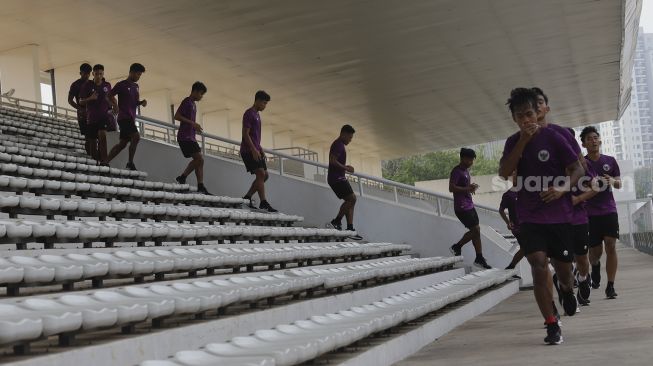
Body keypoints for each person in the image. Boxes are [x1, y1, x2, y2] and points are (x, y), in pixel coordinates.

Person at [500, 88, 584, 345]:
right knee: (537, 266)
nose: (526, 120)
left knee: (563, 270)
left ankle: (567, 289)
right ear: (514, 119)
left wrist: (561, 189)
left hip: (559, 215)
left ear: (537, 113)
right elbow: (505, 172)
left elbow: (577, 169)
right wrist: (524, 142)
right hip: (530, 216)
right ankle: (551, 323)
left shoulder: (555, 137)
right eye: (520, 116)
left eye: (529, 114)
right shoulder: (514, 142)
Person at [580, 126, 621, 299]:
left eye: (595, 137)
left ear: (600, 140)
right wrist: (592, 184)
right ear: (584, 144)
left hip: (609, 210)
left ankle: (610, 286)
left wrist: (611, 180)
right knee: (595, 253)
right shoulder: (582, 163)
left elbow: (619, 184)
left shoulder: (610, 161)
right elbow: (578, 186)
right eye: (589, 138)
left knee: (611, 245)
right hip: (590, 213)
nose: (593, 140)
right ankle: (595, 266)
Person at [448, 148, 491, 269]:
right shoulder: (456, 171)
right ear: (463, 158)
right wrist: (467, 189)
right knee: (476, 231)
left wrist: (471, 188)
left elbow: (464, 187)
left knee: (477, 231)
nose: (472, 162)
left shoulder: (466, 171)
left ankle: (479, 258)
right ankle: (457, 246)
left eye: (472, 160)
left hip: (469, 204)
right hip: (461, 207)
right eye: (470, 159)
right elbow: (451, 188)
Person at [240, 90, 277, 213]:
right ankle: (263, 202)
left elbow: (254, 135)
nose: (265, 106)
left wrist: (260, 149)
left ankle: (247, 197)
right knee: (260, 174)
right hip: (248, 150)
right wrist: (253, 149)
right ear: (258, 101)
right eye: (264, 103)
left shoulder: (257, 114)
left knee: (265, 175)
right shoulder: (249, 113)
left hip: (256, 149)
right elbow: (245, 134)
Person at [106, 63, 147, 170]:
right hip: (124, 117)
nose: (138, 77)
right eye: (138, 74)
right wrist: (114, 105)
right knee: (136, 137)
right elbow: (109, 95)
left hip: (131, 118)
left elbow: (134, 102)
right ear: (131, 72)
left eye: (140, 75)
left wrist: (141, 102)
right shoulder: (122, 84)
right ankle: (130, 162)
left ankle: (105, 162)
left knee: (122, 144)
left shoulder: (136, 86)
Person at [326, 124, 363, 241]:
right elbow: (332, 161)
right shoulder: (338, 144)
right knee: (352, 199)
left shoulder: (340, 145)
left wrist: (344, 169)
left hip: (340, 177)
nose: (350, 140)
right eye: (350, 138)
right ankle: (336, 221)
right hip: (335, 178)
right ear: (344, 134)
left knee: (351, 200)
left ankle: (350, 228)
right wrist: (346, 168)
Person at [174, 81, 211, 195]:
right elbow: (177, 116)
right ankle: (182, 177)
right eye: (201, 94)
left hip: (191, 137)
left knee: (200, 161)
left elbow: (190, 122)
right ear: (195, 91)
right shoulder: (187, 101)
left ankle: (200, 185)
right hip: (185, 137)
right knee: (199, 159)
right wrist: (192, 123)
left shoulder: (193, 104)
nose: (201, 97)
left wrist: (195, 127)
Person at [79, 64, 117, 165]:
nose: (98, 76)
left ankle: (104, 161)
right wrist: (90, 98)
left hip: (104, 117)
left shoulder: (107, 85)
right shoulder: (87, 86)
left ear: (103, 74)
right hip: (91, 118)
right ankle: (94, 162)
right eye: (96, 74)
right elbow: (81, 101)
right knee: (92, 142)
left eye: (100, 74)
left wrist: (115, 105)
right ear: (93, 74)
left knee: (102, 135)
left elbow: (112, 98)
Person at [68, 63, 93, 156]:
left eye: (88, 73)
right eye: (85, 73)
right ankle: (91, 156)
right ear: (80, 73)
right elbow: (70, 100)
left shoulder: (92, 84)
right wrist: (80, 109)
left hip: (93, 113)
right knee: (88, 137)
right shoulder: (75, 85)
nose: (86, 75)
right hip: (83, 114)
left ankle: (95, 155)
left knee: (95, 136)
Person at [500, 171, 523, 270]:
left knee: (526, 248)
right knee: (526, 247)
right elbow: (501, 210)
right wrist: (507, 222)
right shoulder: (508, 194)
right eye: (513, 175)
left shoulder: (526, 192)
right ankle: (511, 267)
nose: (515, 177)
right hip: (517, 227)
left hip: (527, 225)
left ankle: (511, 267)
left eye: (517, 175)